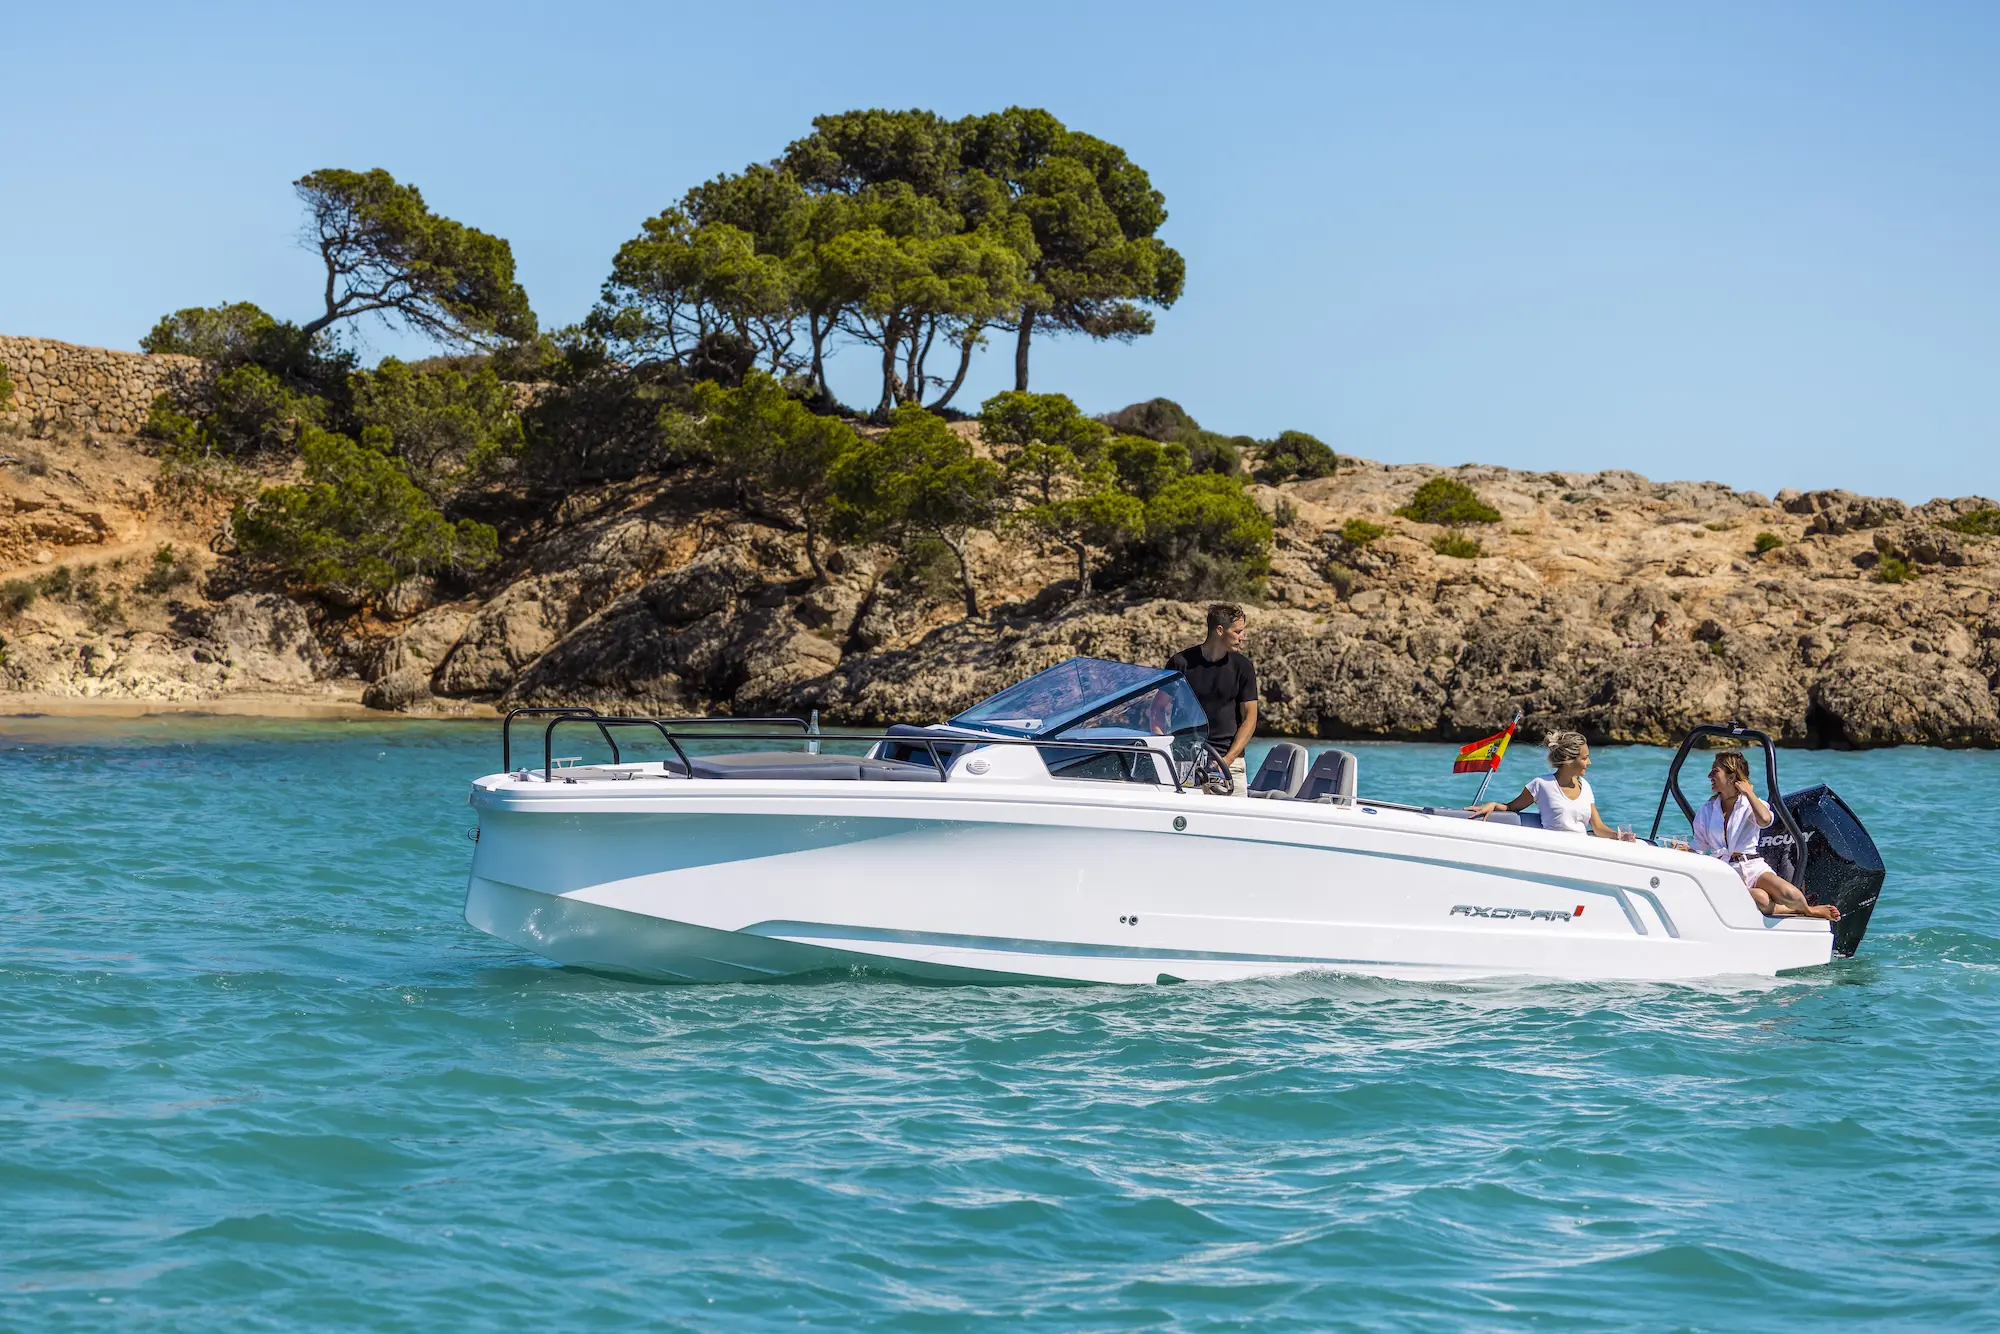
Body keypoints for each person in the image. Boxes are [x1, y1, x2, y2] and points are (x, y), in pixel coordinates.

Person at [1676, 751, 1840, 921]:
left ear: (1731, 776)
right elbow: (1699, 846)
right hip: (1724, 869)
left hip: (1752, 865)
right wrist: (1681, 852)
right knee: (1760, 898)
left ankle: (1808, 910)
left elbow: (1765, 820)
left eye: (1715, 771)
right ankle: (1792, 910)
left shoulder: (1750, 804)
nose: (1709, 775)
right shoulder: (1707, 810)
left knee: (1789, 893)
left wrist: (1749, 793)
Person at [1469, 730, 1635, 839]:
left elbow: (1597, 827)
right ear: (1568, 759)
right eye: (1584, 758)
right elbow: (1511, 807)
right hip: (1555, 852)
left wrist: (1619, 836)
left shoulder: (1585, 786)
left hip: (1583, 852)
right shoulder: (1541, 784)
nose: (1589, 762)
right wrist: (1493, 805)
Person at [1168, 604, 1259, 795]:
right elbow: (1158, 710)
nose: (1242, 637)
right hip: (1185, 762)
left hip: (1229, 765)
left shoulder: (1243, 667)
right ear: (1220, 630)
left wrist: (1227, 760)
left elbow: (1250, 719)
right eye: (1237, 631)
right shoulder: (1180, 663)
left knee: (1236, 816)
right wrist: (1165, 753)